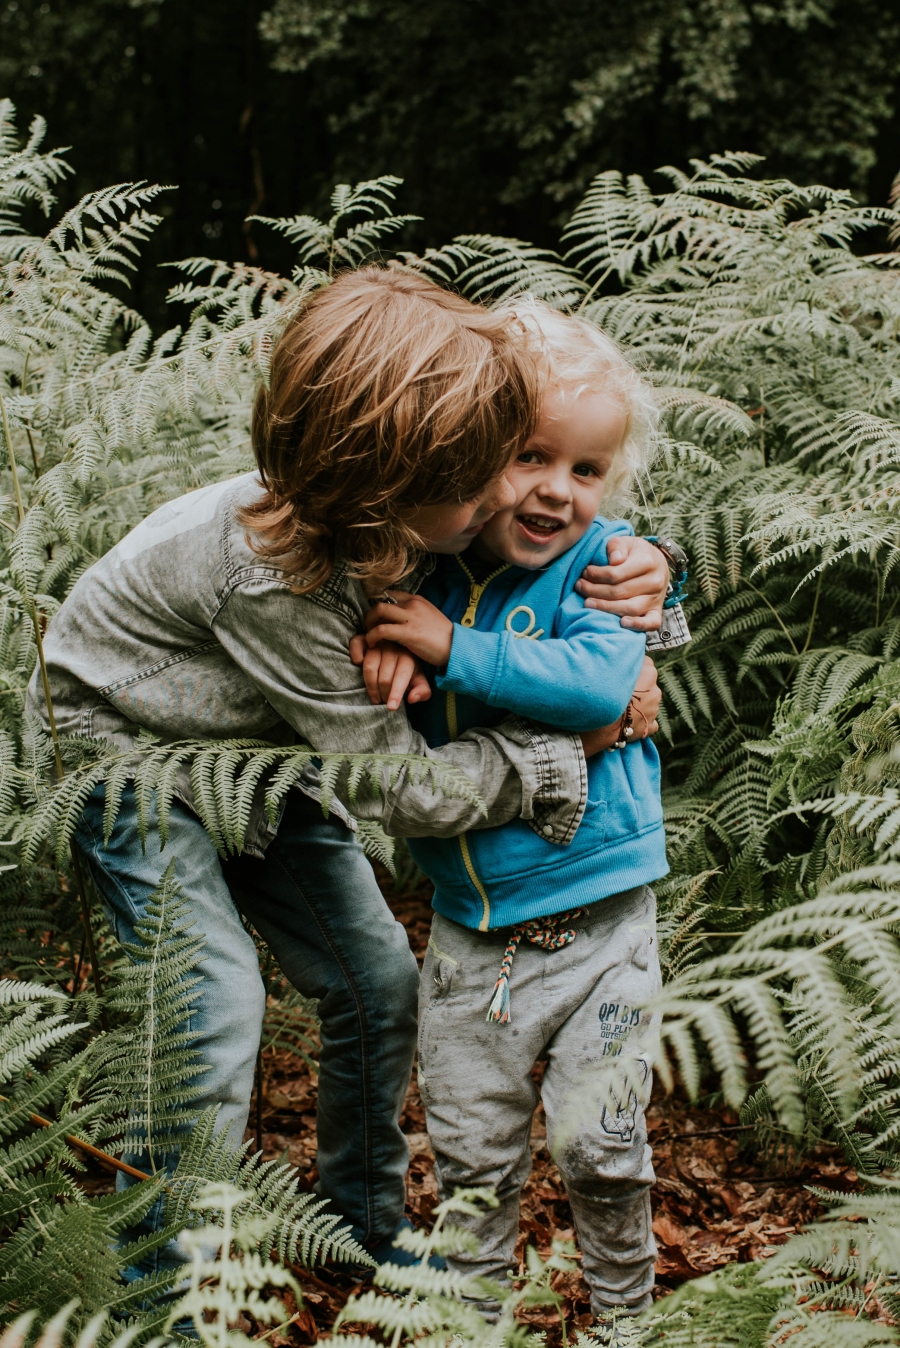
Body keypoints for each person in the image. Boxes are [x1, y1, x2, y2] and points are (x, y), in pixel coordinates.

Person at [26, 269, 669, 1273]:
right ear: (386, 502)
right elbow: (399, 793)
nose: (509, 491)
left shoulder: (411, 515)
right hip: (126, 753)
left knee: (375, 980)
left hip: (264, 758)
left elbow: (540, 580)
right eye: (482, 480)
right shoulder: (277, 583)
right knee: (210, 1005)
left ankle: (359, 1228)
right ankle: (154, 1292)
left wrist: (647, 588)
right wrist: (565, 749)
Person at [357, 299, 669, 1316]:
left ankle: (629, 1325)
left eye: (586, 470)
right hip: (469, 938)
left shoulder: (608, 568)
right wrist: (398, 640)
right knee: (471, 1164)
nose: (556, 491)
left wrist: (451, 649)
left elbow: (593, 689)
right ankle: (471, 1329)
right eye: (530, 455)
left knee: (606, 1153)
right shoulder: (424, 566)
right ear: (474, 445)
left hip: (605, 927)